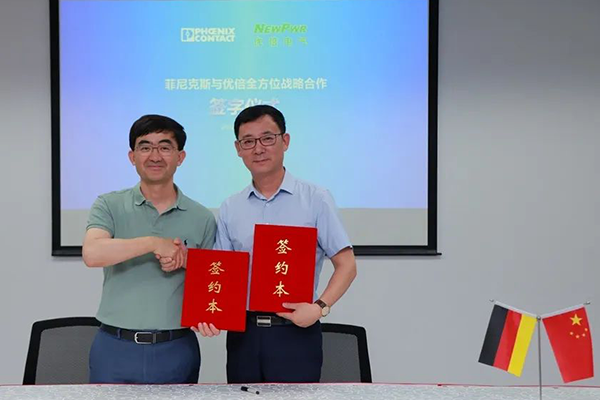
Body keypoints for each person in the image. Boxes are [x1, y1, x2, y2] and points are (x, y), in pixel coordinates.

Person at [193, 105, 357, 383]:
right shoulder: (231, 207)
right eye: (248, 141)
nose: (258, 149)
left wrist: (320, 307)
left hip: (296, 331)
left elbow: (347, 265)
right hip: (244, 335)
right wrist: (209, 312)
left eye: (267, 138)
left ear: (285, 141)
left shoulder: (316, 198)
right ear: (238, 148)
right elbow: (222, 272)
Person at [82, 114, 216, 384]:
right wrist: (154, 243)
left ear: (180, 157)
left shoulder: (202, 217)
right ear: (132, 157)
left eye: (165, 147)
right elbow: (92, 254)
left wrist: (186, 259)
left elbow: (212, 278)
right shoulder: (108, 204)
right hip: (114, 347)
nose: (155, 156)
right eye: (145, 147)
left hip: (176, 348)